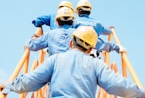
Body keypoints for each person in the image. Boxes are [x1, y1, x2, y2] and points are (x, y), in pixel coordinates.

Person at [1, 26, 145, 98]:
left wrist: (9, 86)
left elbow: (31, 80)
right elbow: (116, 83)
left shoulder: (55, 60)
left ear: (70, 43)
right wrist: (140, 93)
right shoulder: (96, 64)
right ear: (90, 49)